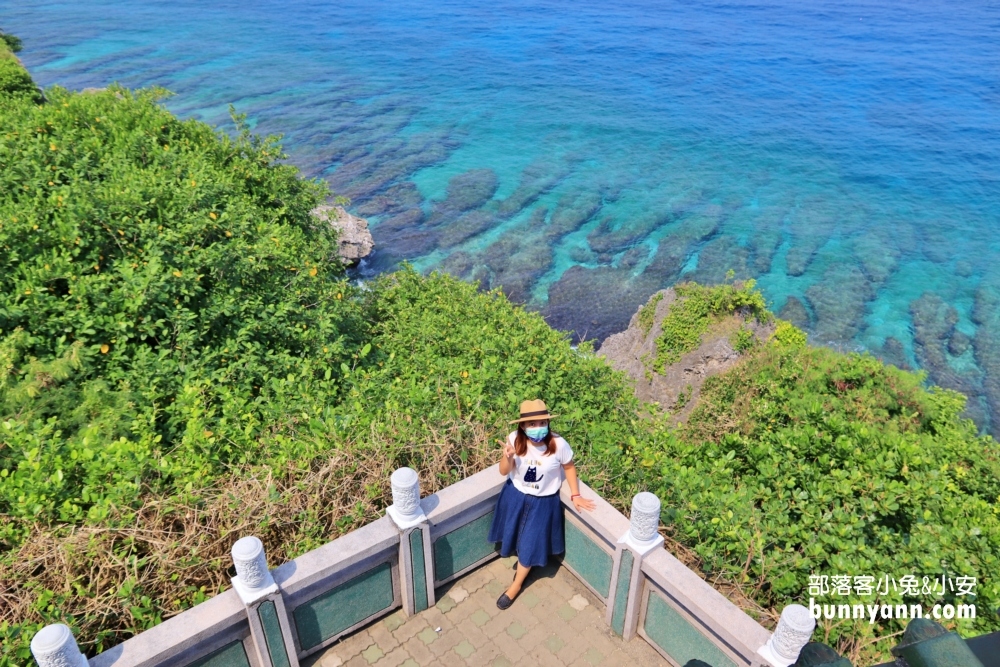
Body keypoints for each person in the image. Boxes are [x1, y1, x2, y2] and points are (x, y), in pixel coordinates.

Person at [488, 399, 596, 610]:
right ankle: (521, 567)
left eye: (542, 423)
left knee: (529, 543)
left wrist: (575, 495)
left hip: (543, 502)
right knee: (516, 533)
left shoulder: (558, 444)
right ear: (523, 426)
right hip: (515, 495)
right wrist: (507, 456)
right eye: (532, 424)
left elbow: (570, 468)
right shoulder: (514, 440)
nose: (538, 428)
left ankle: (516, 585)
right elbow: (503, 471)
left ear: (548, 422)